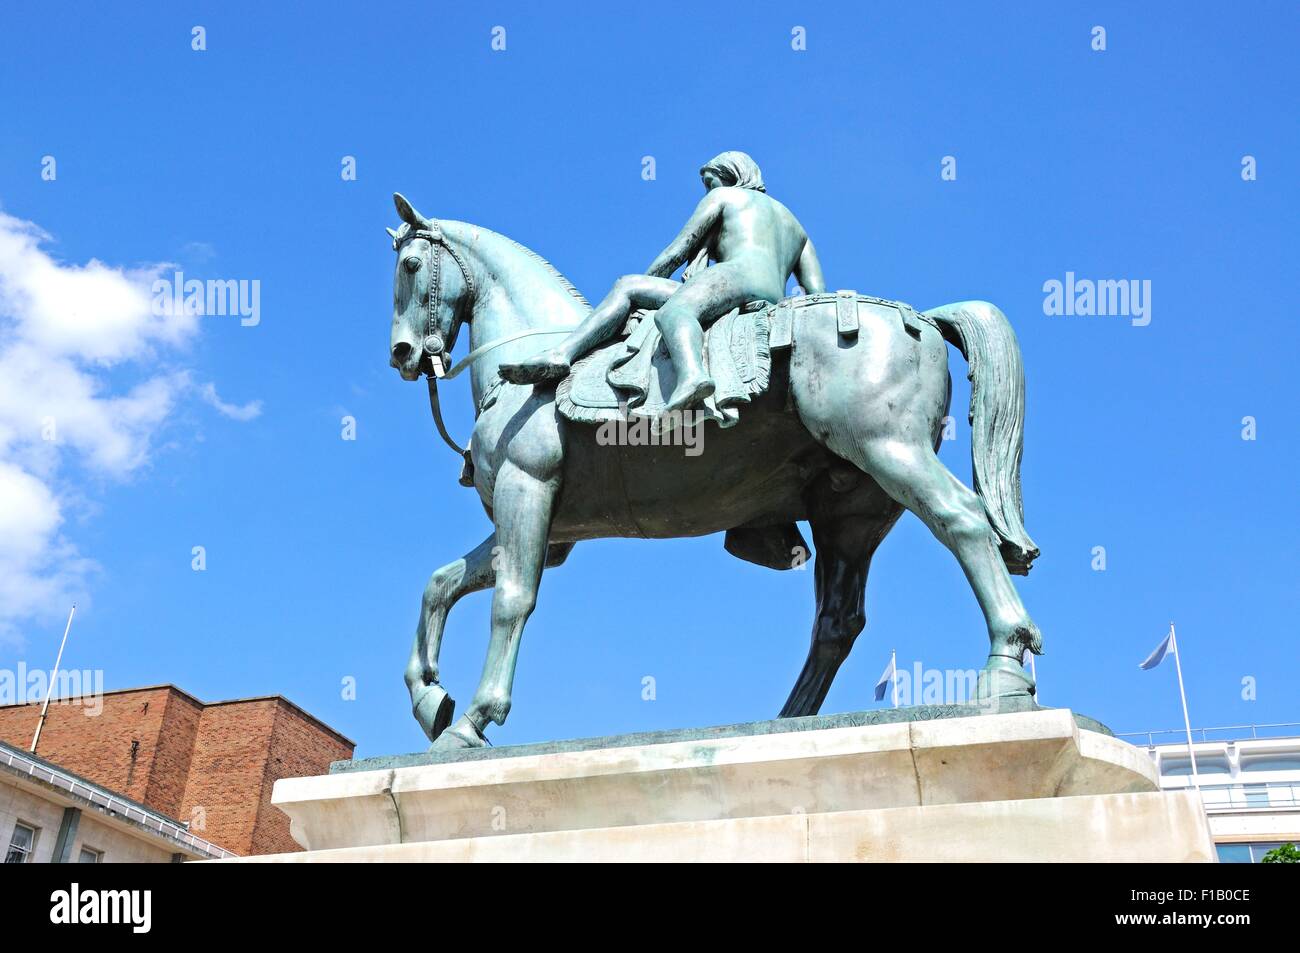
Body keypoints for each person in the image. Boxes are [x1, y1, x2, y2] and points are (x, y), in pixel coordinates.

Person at [499, 151, 826, 413]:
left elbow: (678, 250)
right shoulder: (796, 226)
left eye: (711, 184)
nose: (709, 192)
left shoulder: (726, 197)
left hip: (733, 276)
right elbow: (815, 293)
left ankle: (690, 376)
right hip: (772, 294)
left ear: (730, 177)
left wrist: (647, 285)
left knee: (653, 301)